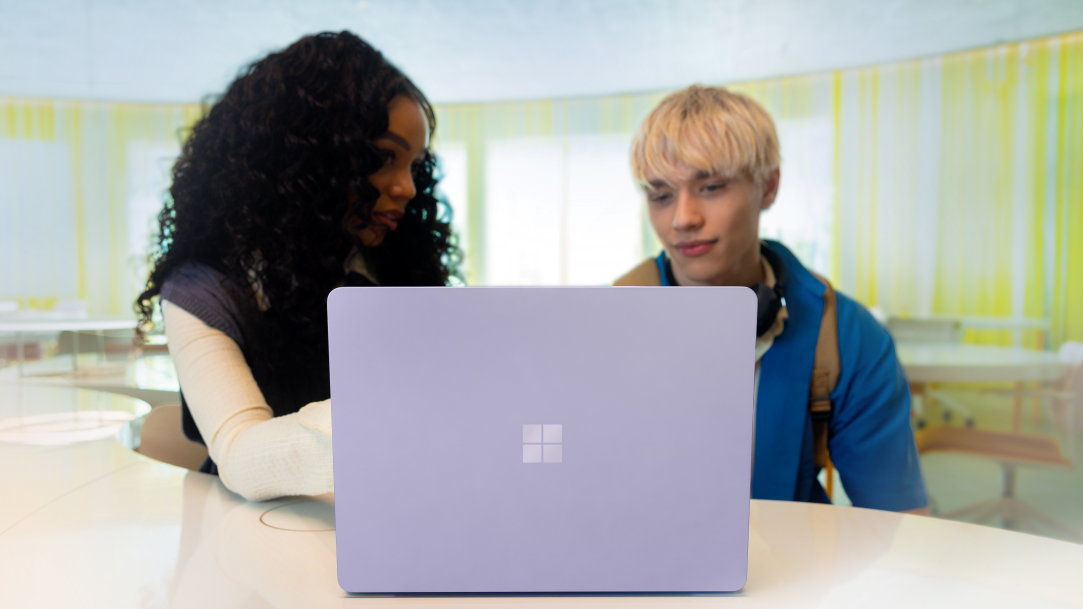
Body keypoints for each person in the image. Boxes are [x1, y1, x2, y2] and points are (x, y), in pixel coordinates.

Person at [135, 32, 459, 501]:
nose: (407, 187)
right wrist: (415, 424)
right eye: (384, 157)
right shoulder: (204, 290)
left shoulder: (396, 266)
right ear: (307, 158)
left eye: (415, 165)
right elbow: (243, 455)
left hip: (371, 518)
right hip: (246, 538)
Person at [615, 85, 928, 513]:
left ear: (768, 186)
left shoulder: (849, 338)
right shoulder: (606, 325)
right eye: (661, 195)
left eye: (711, 187)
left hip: (792, 570)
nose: (683, 219)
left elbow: (899, 520)